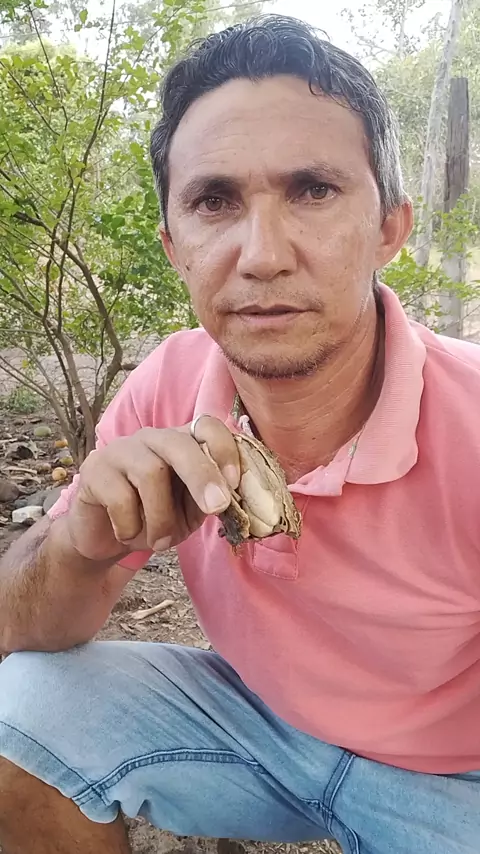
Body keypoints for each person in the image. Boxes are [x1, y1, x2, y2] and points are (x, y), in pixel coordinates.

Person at [0, 13, 479, 854]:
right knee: (18, 711)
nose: (262, 255)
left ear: (391, 228)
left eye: (313, 190)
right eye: (214, 201)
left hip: (454, 777)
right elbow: (20, 623)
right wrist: (78, 544)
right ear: (173, 246)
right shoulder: (168, 385)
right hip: (257, 728)